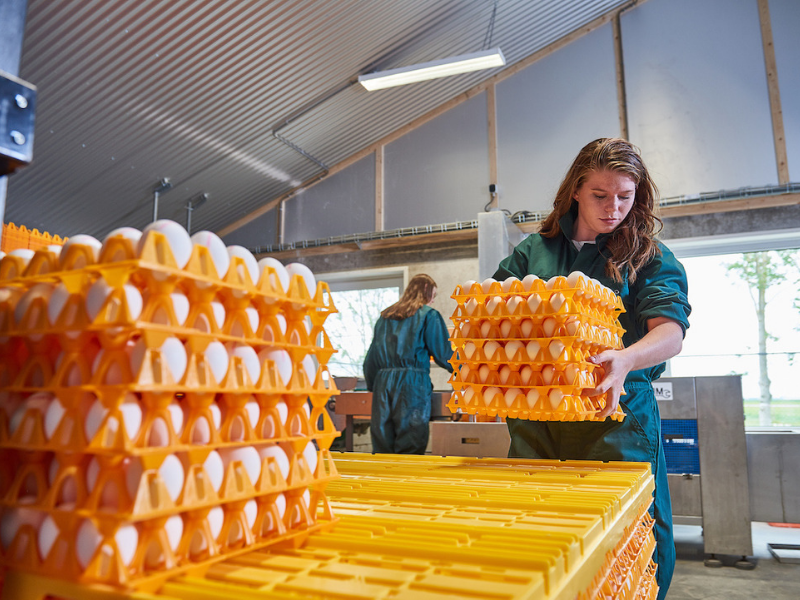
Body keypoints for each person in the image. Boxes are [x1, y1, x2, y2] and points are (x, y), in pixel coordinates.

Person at [493, 138, 691, 600]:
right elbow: (498, 318)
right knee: (538, 530)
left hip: (614, 420)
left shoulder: (647, 254)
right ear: (576, 190)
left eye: (625, 196)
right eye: (601, 195)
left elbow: (670, 333)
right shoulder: (532, 254)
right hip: (537, 420)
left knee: (631, 536)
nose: (614, 207)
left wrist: (625, 358)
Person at [363, 274, 454, 454]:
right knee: (411, 442)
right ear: (426, 291)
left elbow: (370, 361)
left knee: (383, 444)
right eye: (433, 296)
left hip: (383, 384)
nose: (433, 301)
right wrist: (466, 373)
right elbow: (443, 354)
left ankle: (383, 481)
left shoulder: (385, 317)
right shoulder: (429, 316)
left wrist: (375, 386)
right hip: (412, 385)